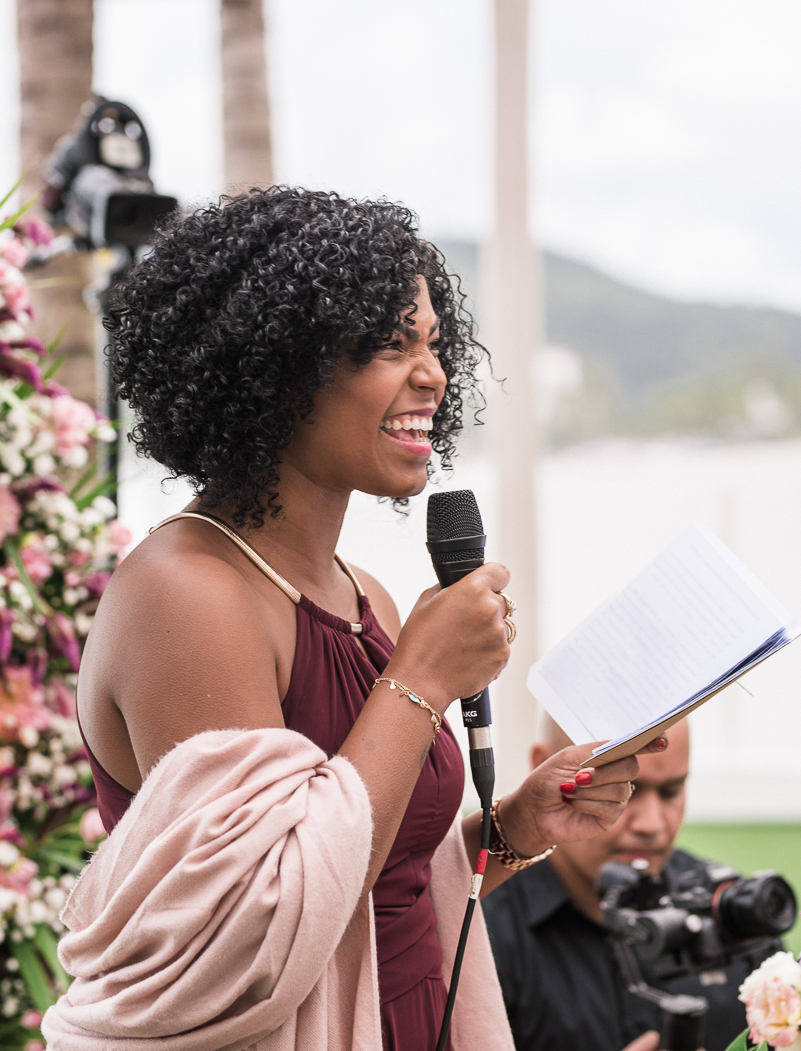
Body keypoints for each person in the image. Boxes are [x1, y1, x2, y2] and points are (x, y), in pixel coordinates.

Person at [42, 188, 661, 1051]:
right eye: (386, 345)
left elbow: (383, 877)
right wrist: (421, 680)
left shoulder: (362, 591)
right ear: (274, 365)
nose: (431, 375)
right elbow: (260, 930)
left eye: (433, 345)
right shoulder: (186, 594)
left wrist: (517, 826)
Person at [482, 716, 779, 1051]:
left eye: (671, 791)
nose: (652, 824)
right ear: (543, 769)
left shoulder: (730, 910)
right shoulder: (479, 932)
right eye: (623, 791)